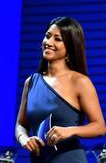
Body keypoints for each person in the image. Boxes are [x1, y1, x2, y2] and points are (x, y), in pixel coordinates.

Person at [15, 16, 106, 162]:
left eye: (57, 39)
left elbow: (100, 127)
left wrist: (69, 131)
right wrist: (24, 139)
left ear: (70, 47)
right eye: (47, 36)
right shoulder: (31, 82)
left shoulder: (80, 82)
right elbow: (21, 124)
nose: (48, 42)